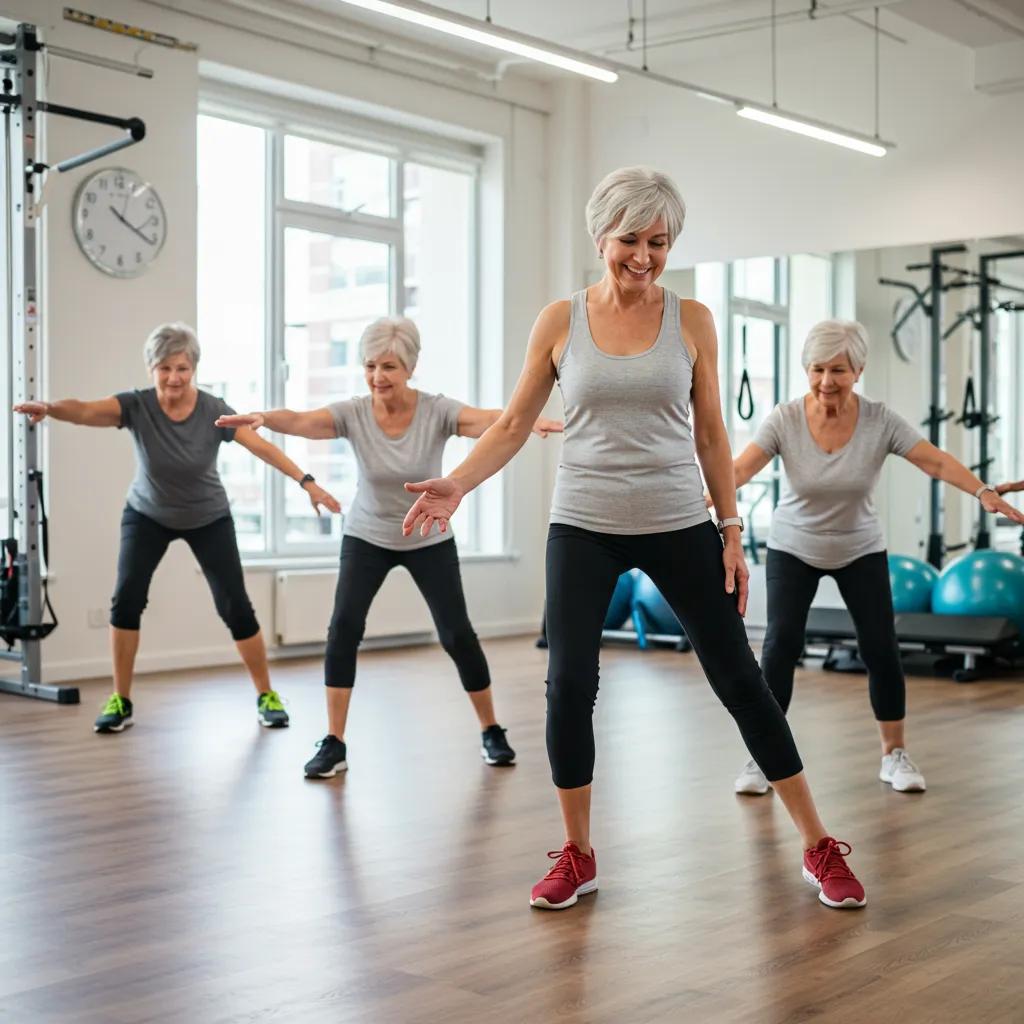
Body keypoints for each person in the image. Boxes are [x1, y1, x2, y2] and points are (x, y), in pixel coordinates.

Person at [402, 167, 867, 911]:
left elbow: (712, 433)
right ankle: (578, 854)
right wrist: (459, 483)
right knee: (567, 686)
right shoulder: (560, 320)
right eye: (630, 239)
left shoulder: (693, 319)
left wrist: (730, 527)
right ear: (601, 237)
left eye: (659, 242)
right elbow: (517, 423)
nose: (644, 256)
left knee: (740, 680)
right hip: (582, 523)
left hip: (678, 519)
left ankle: (817, 842)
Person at [217, 316, 562, 779]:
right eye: (370, 366)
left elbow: (488, 421)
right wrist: (265, 417)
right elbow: (302, 421)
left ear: (411, 368)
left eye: (389, 367)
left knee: (457, 634)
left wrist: (526, 421)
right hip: (368, 535)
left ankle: (491, 730)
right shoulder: (354, 412)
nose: (378, 377)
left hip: (427, 536)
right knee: (342, 629)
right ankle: (334, 741)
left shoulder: (437, 411)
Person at [725, 319, 1024, 797]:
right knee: (780, 644)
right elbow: (739, 469)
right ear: (806, 369)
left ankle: (894, 754)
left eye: (838, 370)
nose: (827, 381)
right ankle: (764, 757)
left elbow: (935, 460)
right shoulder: (783, 418)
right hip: (793, 544)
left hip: (858, 545)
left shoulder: (880, 420)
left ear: (858, 370)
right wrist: (698, 496)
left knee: (881, 646)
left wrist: (982, 490)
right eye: (818, 369)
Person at [13, 323, 339, 733]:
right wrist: (51, 408)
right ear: (152, 369)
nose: (174, 377)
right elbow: (86, 409)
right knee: (126, 600)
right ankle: (121, 700)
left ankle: (266, 694)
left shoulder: (213, 410)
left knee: (234, 605)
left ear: (194, 368)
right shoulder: (136, 405)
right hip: (147, 513)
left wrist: (306, 481)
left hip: (208, 516)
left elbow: (263, 447)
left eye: (182, 368)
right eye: (165, 367)